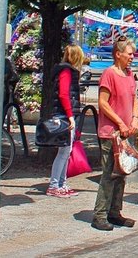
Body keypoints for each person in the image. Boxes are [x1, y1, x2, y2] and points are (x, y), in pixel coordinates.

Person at [92, 39, 138, 232]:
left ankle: (115, 212)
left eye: (132, 54)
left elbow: (134, 98)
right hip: (110, 132)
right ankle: (100, 215)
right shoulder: (109, 74)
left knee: (122, 173)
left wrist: (135, 119)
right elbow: (103, 103)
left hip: (126, 131)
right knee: (109, 174)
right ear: (118, 54)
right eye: (129, 53)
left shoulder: (129, 74)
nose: (132, 57)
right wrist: (119, 122)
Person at [47, 44, 88, 198]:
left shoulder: (64, 70)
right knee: (64, 151)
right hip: (64, 115)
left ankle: (61, 183)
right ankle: (55, 184)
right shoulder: (67, 71)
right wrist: (70, 115)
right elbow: (64, 95)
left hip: (63, 114)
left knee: (66, 150)